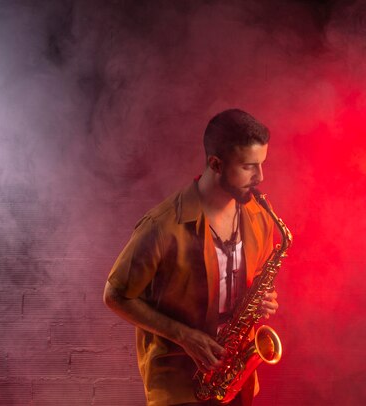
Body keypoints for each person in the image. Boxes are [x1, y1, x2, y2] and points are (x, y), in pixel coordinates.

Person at [103, 109, 279, 406]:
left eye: (261, 164)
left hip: (235, 378)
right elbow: (116, 295)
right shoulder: (162, 225)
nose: (260, 177)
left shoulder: (260, 218)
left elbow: (254, 281)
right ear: (216, 164)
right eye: (249, 167)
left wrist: (264, 299)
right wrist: (185, 336)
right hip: (179, 383)